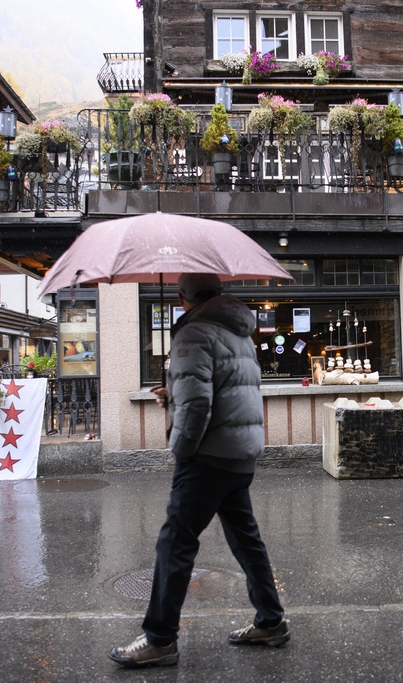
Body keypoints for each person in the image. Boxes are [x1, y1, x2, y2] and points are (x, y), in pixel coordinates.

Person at [109, 272, 290, 668]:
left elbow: (197, 407)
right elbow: (218, 390)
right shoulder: (239, 332)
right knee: (246, 540)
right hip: (238, 454)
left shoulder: (193, 334)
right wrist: (175, 394)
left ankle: (159, 638)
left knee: (175, 542)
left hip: (207, 456)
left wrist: (182, 449)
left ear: (180, 297)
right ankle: (271, 620)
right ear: (219, 293)